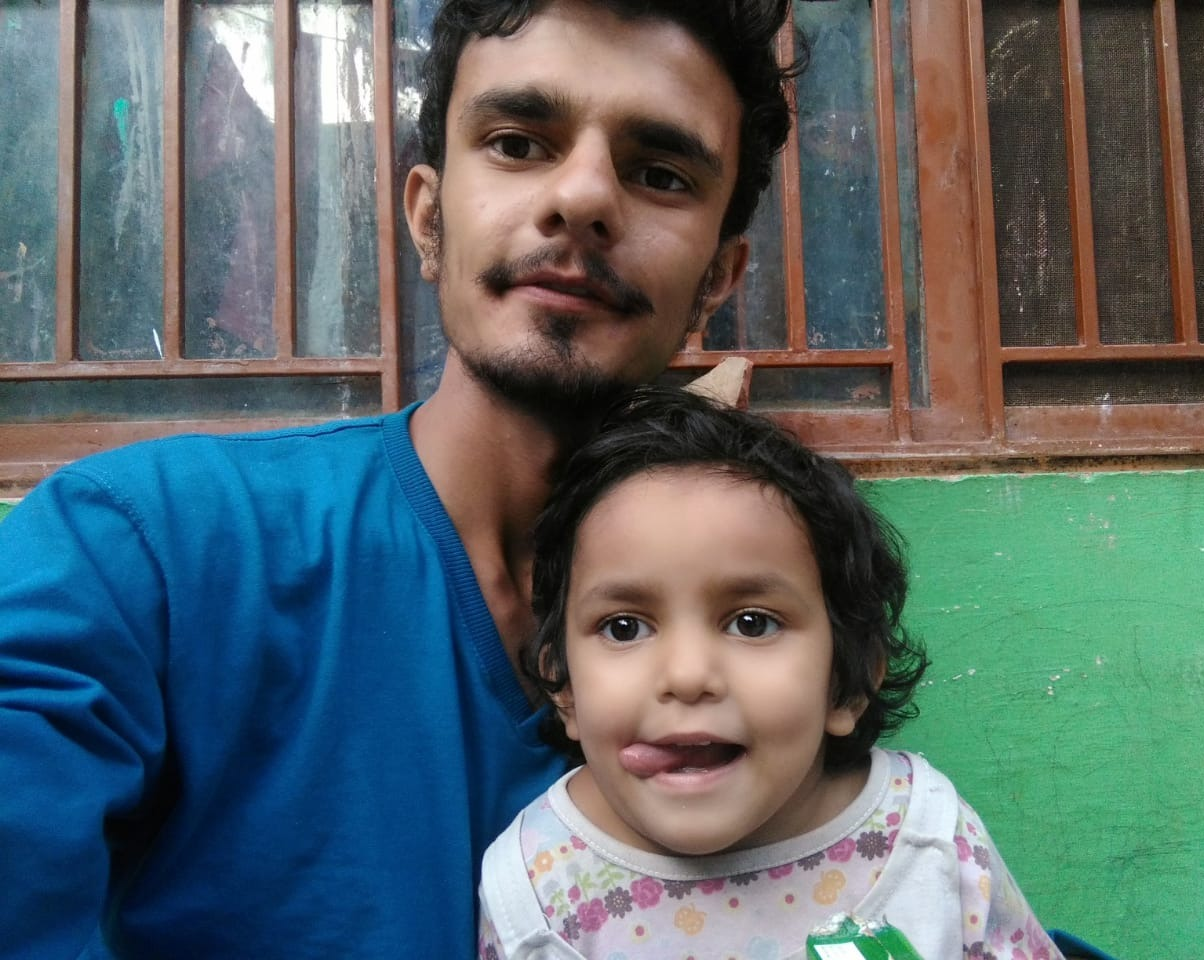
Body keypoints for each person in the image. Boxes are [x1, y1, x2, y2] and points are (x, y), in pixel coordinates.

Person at [0, 2, 799, 956]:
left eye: (660, 173)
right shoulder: (152, 551)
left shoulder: (777, 620)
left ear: (718, 277)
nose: (584, 196)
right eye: (517, 143)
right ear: (428, 218)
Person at [478, 386, 1066, 960]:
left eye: (752, 623)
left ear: (847, 681)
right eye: (625, 627)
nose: (687, 675)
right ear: (564, 688)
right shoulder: (533, 892)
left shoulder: (929, 842)